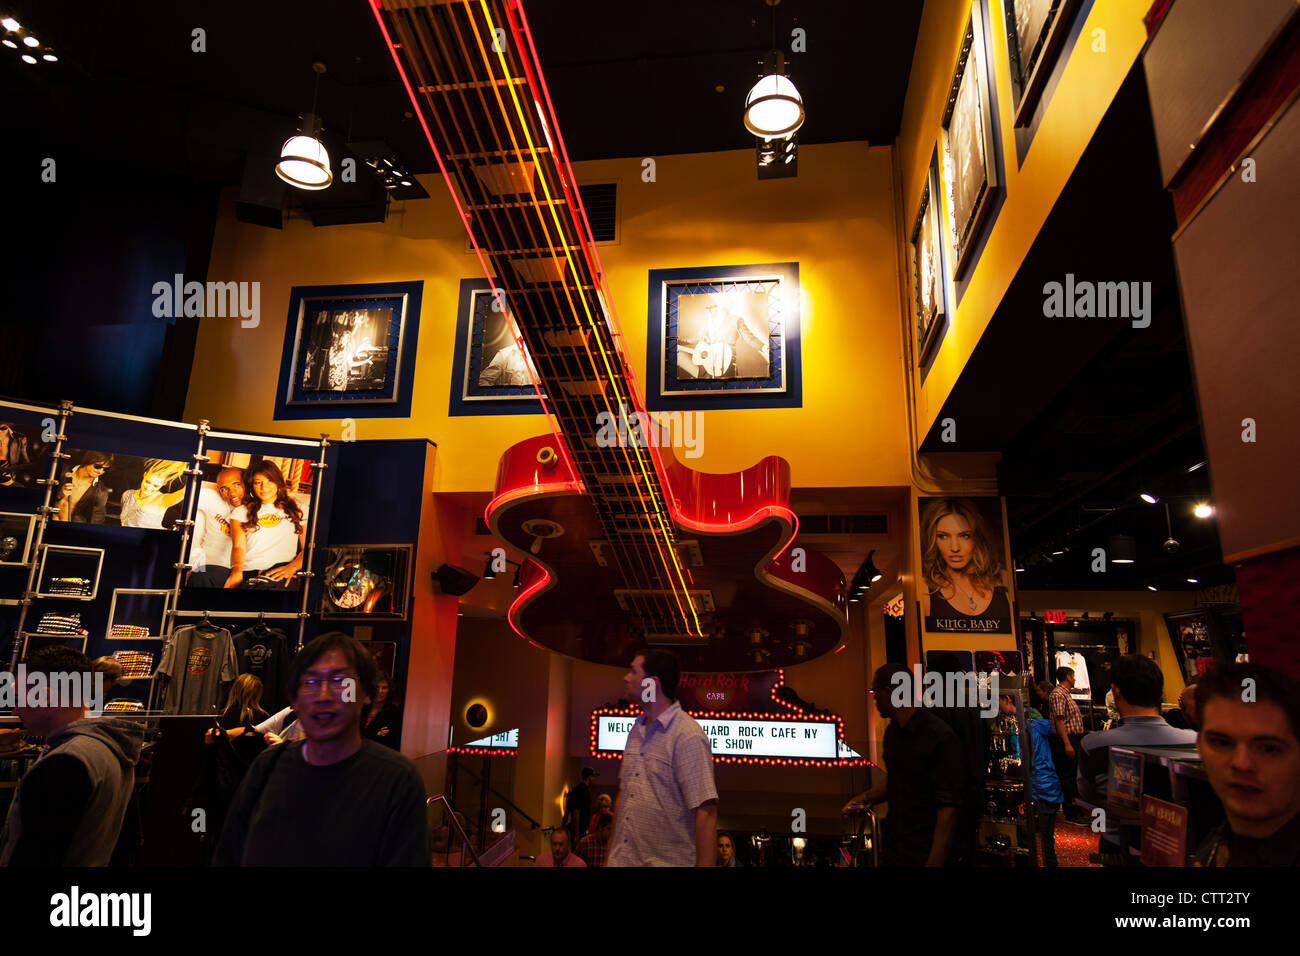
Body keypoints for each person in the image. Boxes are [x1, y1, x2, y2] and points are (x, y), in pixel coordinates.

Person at [214, 632, 429, 866]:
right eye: (311, 682)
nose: (323, 696)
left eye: (340, 682)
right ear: (294, 701)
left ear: (366, 693)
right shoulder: (267, 768)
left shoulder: (396, 780)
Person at [0, 647, 145, 866]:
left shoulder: (67, 761)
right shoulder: (112, 749)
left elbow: (36, 856)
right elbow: (128, 842)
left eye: (20, 698)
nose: (15, 711)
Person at [842, 663, 962, 866]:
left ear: (889, 691)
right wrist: (864, 798)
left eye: (875, 690)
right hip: (895, 847)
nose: (873, 697)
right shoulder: (893, 732)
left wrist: (934, 863)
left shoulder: (939, 736)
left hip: (923, 850)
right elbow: (897, 780)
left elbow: (947, 809)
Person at [1077, 655, 1197, 857]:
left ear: (1115, 692)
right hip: (1183, 853)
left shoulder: (1093, 745)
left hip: (1120, 853)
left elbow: (1088, 796)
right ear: (1161, 693)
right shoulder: (1197, 743)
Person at [608, 649, 718, 867]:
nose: (626, 677)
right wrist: (611, 857)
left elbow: (706, 813)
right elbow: (624, 796)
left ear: (652, 683)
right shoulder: (636, 729)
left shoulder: (687, 735)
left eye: (633, 672)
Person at [1193, 663, 1300, 866]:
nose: (1241, 764)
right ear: (1199, 746)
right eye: (1221, 742)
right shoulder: (1214, 846)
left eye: (1268, 748)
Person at [918, 498, 1012, 632]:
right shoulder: (925, 590)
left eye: (964, 536)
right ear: (933, 540)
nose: (955, 548)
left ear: (977, 538)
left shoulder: (1003, 580)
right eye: (943, 536)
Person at [225, 460, 306, 589]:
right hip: (249, 571)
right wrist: (236, 571)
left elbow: (309, 549)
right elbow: (238, 547)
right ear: (252, 485)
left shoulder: (298, 508)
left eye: (269, 480)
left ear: (278, 481)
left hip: (280, 571)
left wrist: (292, 567)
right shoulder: (241, 511)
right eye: (258, 482)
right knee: (203, 576)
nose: (264, 487)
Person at [188, 466, 245, 587]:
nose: (232, 493)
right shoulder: (212, 498)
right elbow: (185, 494)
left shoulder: (259, 509)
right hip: (205, 569)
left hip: (239, 572)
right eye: (224, 488)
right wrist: (192, 566)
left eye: (237, 484)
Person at [1048, 666, 1088, 823]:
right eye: (1073, 675)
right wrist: (1067, 743)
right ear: (1068, 677)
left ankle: (1076, 810)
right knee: (1068, 777)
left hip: (1071, 739)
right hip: (1066, 739)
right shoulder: (1058, 694)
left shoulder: (1064, 694)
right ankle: (1071, 812)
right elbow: (1059, 720)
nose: (1075, 678)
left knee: (1072, 776)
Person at [1028, 711, 1063, 866]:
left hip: (1040, 788)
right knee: (1047, 840)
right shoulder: (1040, 726)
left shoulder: (1026, 730)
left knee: (1030, 838)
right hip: (1052, 786)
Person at [118, 458, 187, 529]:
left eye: (155, 486)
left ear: (163, 484)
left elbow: (183, 493)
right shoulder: (127, 494)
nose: (149, 488)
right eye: (147, 482)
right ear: (144, 475)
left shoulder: (162, 500)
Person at [54, 450, 113, 523]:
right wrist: (59, 495)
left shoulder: (101, 492)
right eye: (97, 466)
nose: (100, 471)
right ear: (89, 460)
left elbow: (97, 520)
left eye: (105, 469)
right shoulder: (62, 471)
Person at [361, 670, 402, 750]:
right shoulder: (361, 709)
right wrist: (376, 735)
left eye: (384, 688)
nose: (380, 691)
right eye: (377, 687)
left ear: (389, 690)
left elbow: (389, 741)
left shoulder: (394, 712)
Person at [563, 767, 595, 845]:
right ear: (589, 777)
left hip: (572, 828)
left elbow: (568, 810)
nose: (594, 779)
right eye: (593, 777)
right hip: (580, 829)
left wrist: (562, 827)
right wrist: (577, 834)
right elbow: (577, 811)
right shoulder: (585, 791)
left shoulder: (575, 789)